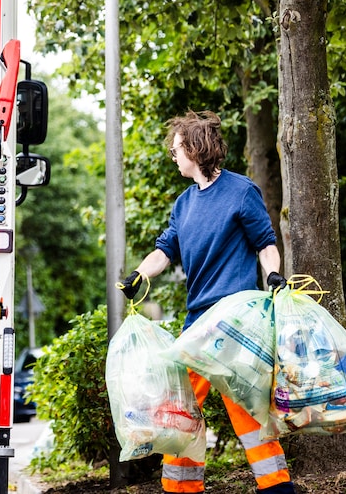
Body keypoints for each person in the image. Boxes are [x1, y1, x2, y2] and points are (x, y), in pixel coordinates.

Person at [118, 110, 294, 494]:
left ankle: (278, 489)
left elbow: (265, 243)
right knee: (181, 414)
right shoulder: (183, 204)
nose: (173, 155)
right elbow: (164, 251)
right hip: (197, 325)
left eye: (177, 148)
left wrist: (274, 275)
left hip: (236, 324)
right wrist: (139, 274)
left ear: (195, 150)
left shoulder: (241, 191)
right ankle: (181, 491)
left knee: (248, 415)